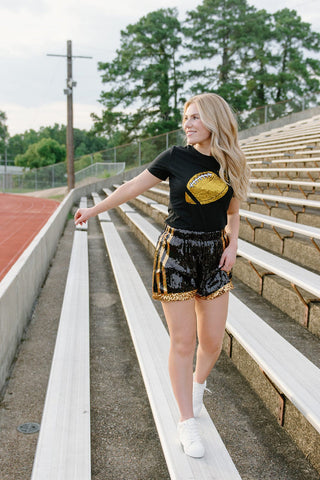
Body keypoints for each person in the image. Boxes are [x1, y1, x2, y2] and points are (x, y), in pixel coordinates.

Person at [74, 93, 250, 459]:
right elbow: (129, 188)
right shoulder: (174, 157)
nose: (187, 123)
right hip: (178, 254)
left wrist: (233, 245)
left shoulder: (229, 163)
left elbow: (232, 211)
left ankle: (198, 385)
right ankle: (186, 422)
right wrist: (93, 210)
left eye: (196, 117)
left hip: (215, 255)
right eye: (186, 117)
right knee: (184, 341)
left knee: (213, 342)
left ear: (215, 121)